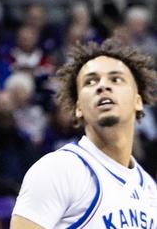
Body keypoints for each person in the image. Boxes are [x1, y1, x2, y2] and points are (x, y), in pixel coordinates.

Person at [11, 39, 157, 229]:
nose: (103, 86)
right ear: (78, 107)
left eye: (116, 79)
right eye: (91, 81)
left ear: (138, 100)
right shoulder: (59, 169)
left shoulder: (149, 189)